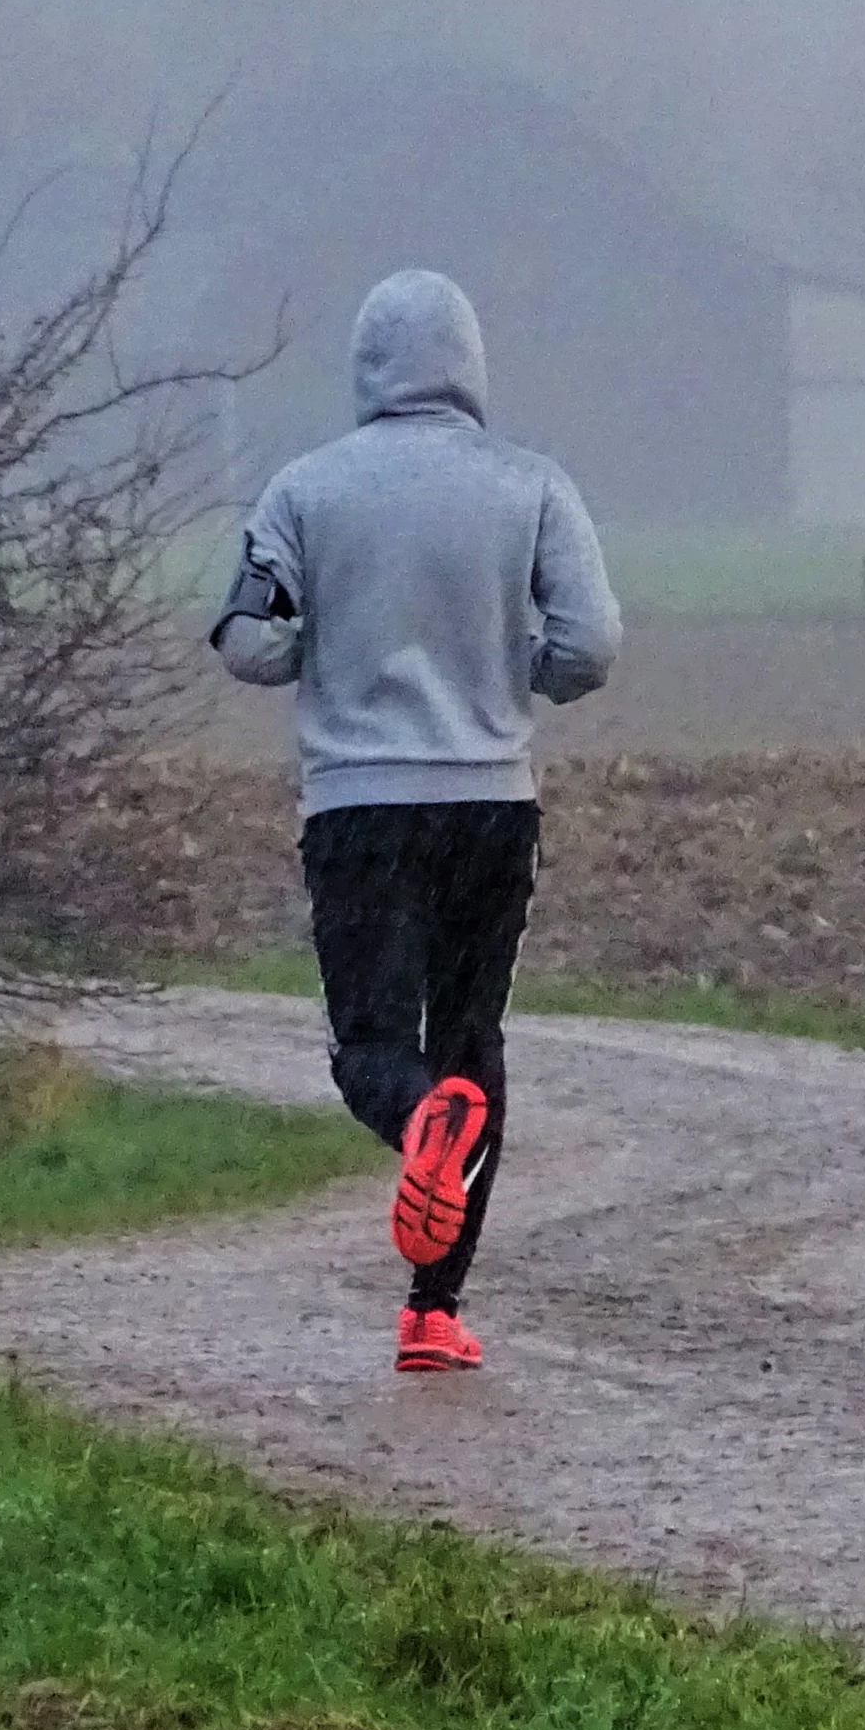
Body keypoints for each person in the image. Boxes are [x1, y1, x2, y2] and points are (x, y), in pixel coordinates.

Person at [210, 268, 620, 1372]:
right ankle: (433, 1312)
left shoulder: (303, 492)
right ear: (471, 366)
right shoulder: (532, 486)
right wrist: (512, 666)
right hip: (492, 806)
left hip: (360, 808)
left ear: (365, 368)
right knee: (474, 1040)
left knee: (374, 1051)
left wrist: (324, 649)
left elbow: (246, 640)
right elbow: (590, 646)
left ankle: (419, 1116)